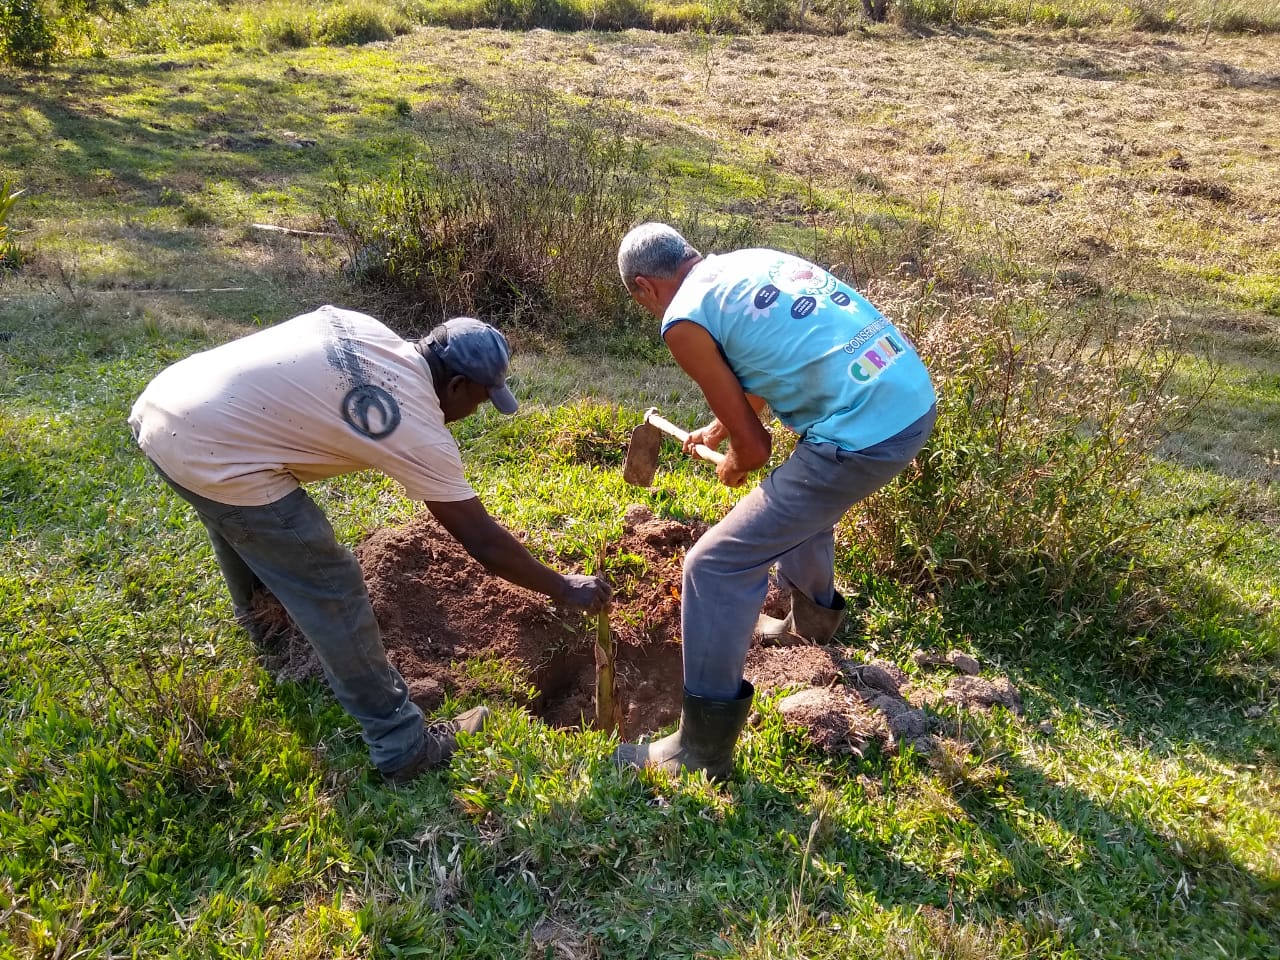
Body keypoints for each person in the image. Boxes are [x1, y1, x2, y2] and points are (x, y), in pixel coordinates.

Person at [129, 305, 612, 784]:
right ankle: (403, 746)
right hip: (211, 444)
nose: (473, 413)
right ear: (457, 386)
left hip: (168, 406)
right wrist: (562, 586)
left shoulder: (367, 329)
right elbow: (482, 541)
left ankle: (270, 633)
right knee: (332, 585)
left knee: (241, 522)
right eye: (481, 400)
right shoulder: (415, 426)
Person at [613, 224, 937, 780]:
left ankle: (700, 750)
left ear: (644, 286)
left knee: (713, 565)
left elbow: (756, 450)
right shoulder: (749, 263)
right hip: (909, 398)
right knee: (805, 501)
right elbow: (766, 362)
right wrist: (721, 428)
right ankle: (811, 625)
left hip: (864, 433)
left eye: (641, 300)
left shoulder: (681, 319)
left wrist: (736, 461)